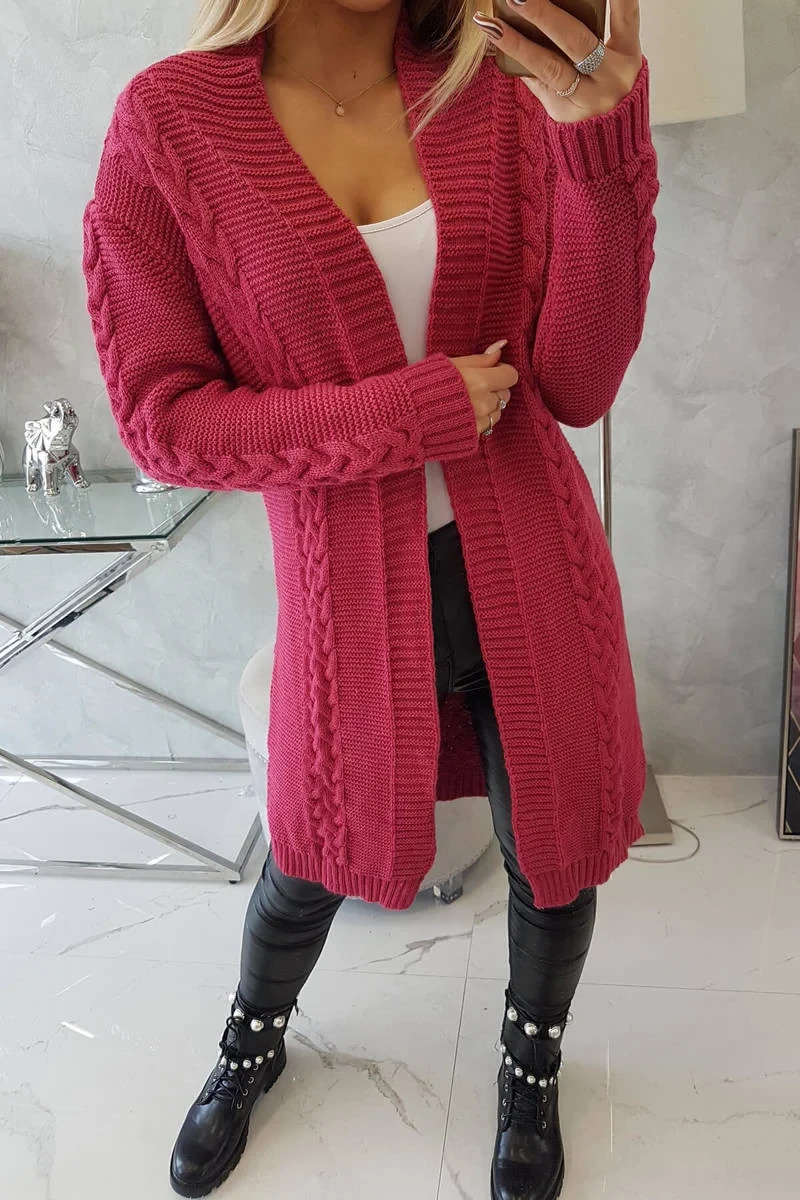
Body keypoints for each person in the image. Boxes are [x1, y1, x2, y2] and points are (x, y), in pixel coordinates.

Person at [82, 1, 658, 1196]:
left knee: (552, 852)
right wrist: (407, 413)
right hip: (345, 595)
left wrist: (597, 148)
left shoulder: (494, 89)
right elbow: (163, 419)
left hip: (531, 561)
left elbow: (574, 382)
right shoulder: (168, 125)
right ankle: (249, 1044)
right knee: (308, 851)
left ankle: (530, 1066)